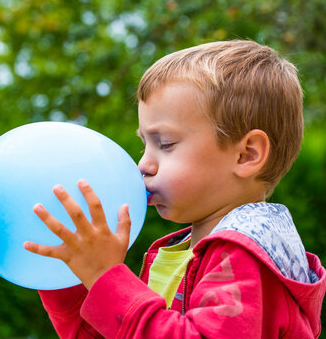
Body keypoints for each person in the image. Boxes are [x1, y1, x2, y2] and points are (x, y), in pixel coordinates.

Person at [23, 40, 326, 338]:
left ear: (247, 154)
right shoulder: (184, 250)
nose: (143, 165)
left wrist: (105, 277)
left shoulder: (243, 257)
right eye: (145, 144)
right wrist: (69, 278)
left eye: (165, 144)